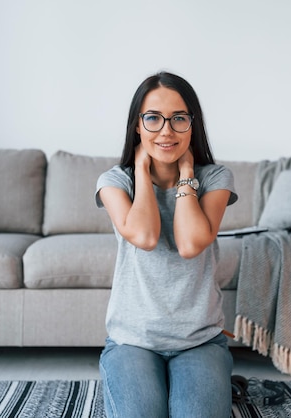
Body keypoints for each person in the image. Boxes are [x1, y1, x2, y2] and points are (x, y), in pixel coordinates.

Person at [95, 71, 238, 418]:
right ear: (137, 126)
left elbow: (191, 244)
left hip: (199, 340)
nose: (166, 130)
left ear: (193, 124)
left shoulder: (216, 178)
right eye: (153, 118)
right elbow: (145, 237)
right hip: (133, 341)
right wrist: (142, 173)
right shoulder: (114, 181)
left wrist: (187, 171)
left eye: (179, 118)